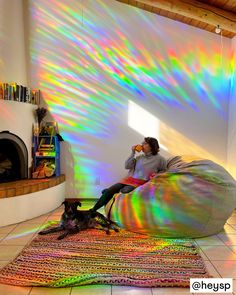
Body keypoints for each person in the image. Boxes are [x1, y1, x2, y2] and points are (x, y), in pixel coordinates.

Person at [90, 137, 167, 212]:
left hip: (141, 182)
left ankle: (108, 194)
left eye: (145, 143)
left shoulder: (160, 159)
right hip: (128, 179)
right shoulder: (140, 157)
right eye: (142, 143)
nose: (142, 144)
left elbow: (164, 171)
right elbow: (127, 166)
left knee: (124, 191)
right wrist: (132, 153)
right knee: (109, 191)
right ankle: (92, 211)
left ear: (152, 146)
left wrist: (157, 174)